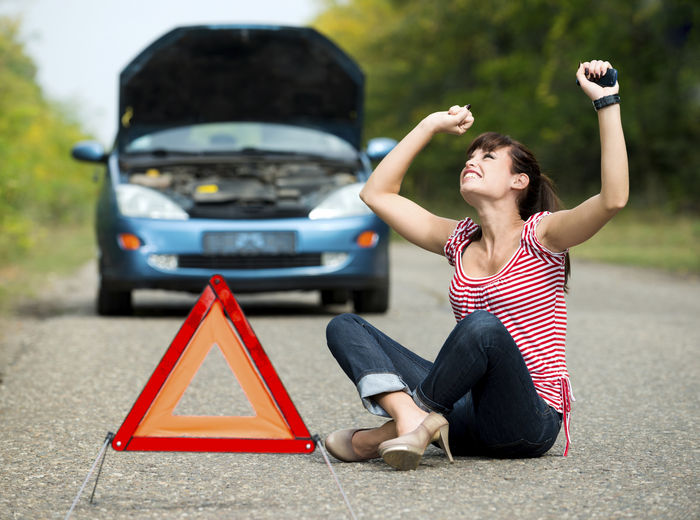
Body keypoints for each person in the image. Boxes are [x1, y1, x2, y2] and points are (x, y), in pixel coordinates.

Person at [324, 60, 628, 470]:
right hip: (464, 416)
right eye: (469, 156)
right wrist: (429, 126)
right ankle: (411, 419)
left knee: (482, 327)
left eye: (488, 157)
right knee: (345, 326)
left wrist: (607, 102)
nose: (472, 161)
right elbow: (376, 194)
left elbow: (613, 200)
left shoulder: (544, 236)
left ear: (519, 181)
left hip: (526, 421)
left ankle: (389, 433)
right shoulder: (459, 239)